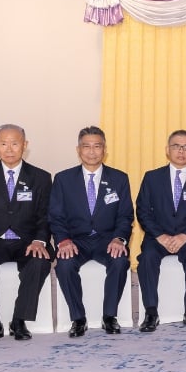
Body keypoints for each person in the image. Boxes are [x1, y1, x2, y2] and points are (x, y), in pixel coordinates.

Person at [0, 124, 54, 344]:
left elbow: (46, 216)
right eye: (3, 143)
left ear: (25, 145)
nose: (10, 149)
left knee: (40, 261)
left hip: (28, 241)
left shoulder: (41, 177)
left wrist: (39, 240)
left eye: (15, 143)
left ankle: (19, 320)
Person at [48, 126, 133, 337]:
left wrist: (119, 239)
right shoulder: (63, 179)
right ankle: (78, 318)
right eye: (86, 146)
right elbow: (56, 216)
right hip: (76, 240)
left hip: (107, 239)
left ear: (105, 150)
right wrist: (63, 241)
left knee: (120, 261)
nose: (92, 151)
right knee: (64, 265)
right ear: (78, 150)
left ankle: (109, 317)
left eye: (97, 146)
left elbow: (125, 216)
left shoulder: (119, 178)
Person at [135, 130, 186, 332]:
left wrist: (185, 235)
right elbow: (143, 211)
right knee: (146, 259)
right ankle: (151, 312)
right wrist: (160, 236)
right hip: (158, 237)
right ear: (167, 150)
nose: (181, 151)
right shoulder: (152, 177)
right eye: (176, 146)